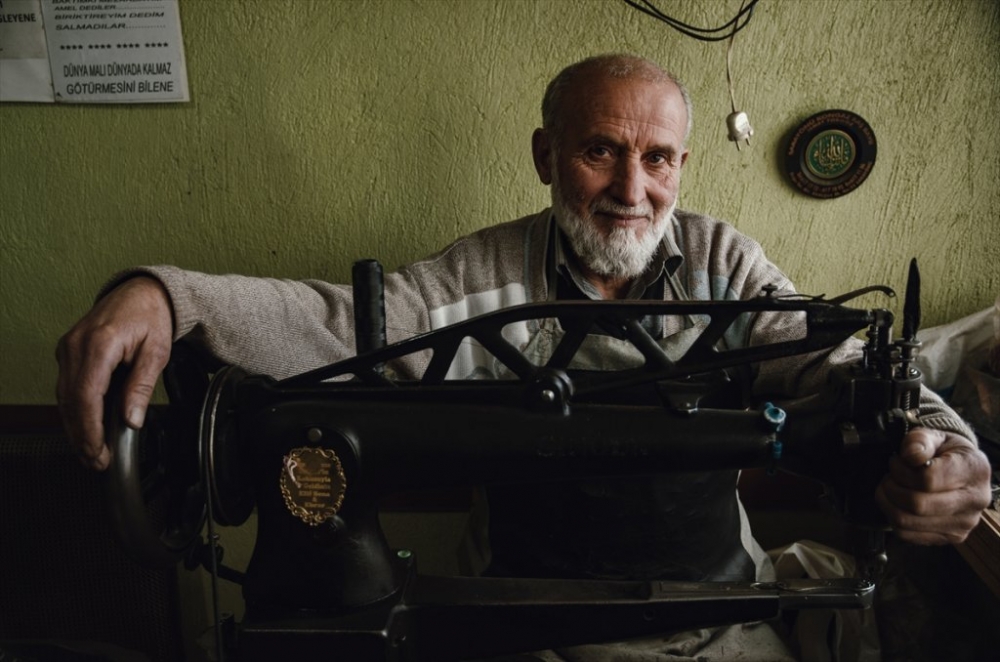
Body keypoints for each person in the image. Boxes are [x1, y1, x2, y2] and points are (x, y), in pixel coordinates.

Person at [56, 54, 991, 660]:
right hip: (513, 609)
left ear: (684, 168)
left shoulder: (727, 265)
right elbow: (338, 327)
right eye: (600, 151)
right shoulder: (482, 272)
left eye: (658, 159)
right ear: (546, 154)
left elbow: (845, 370)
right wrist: (168, 294)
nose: (633, 190)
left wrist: (949, 454)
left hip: (718, 614)